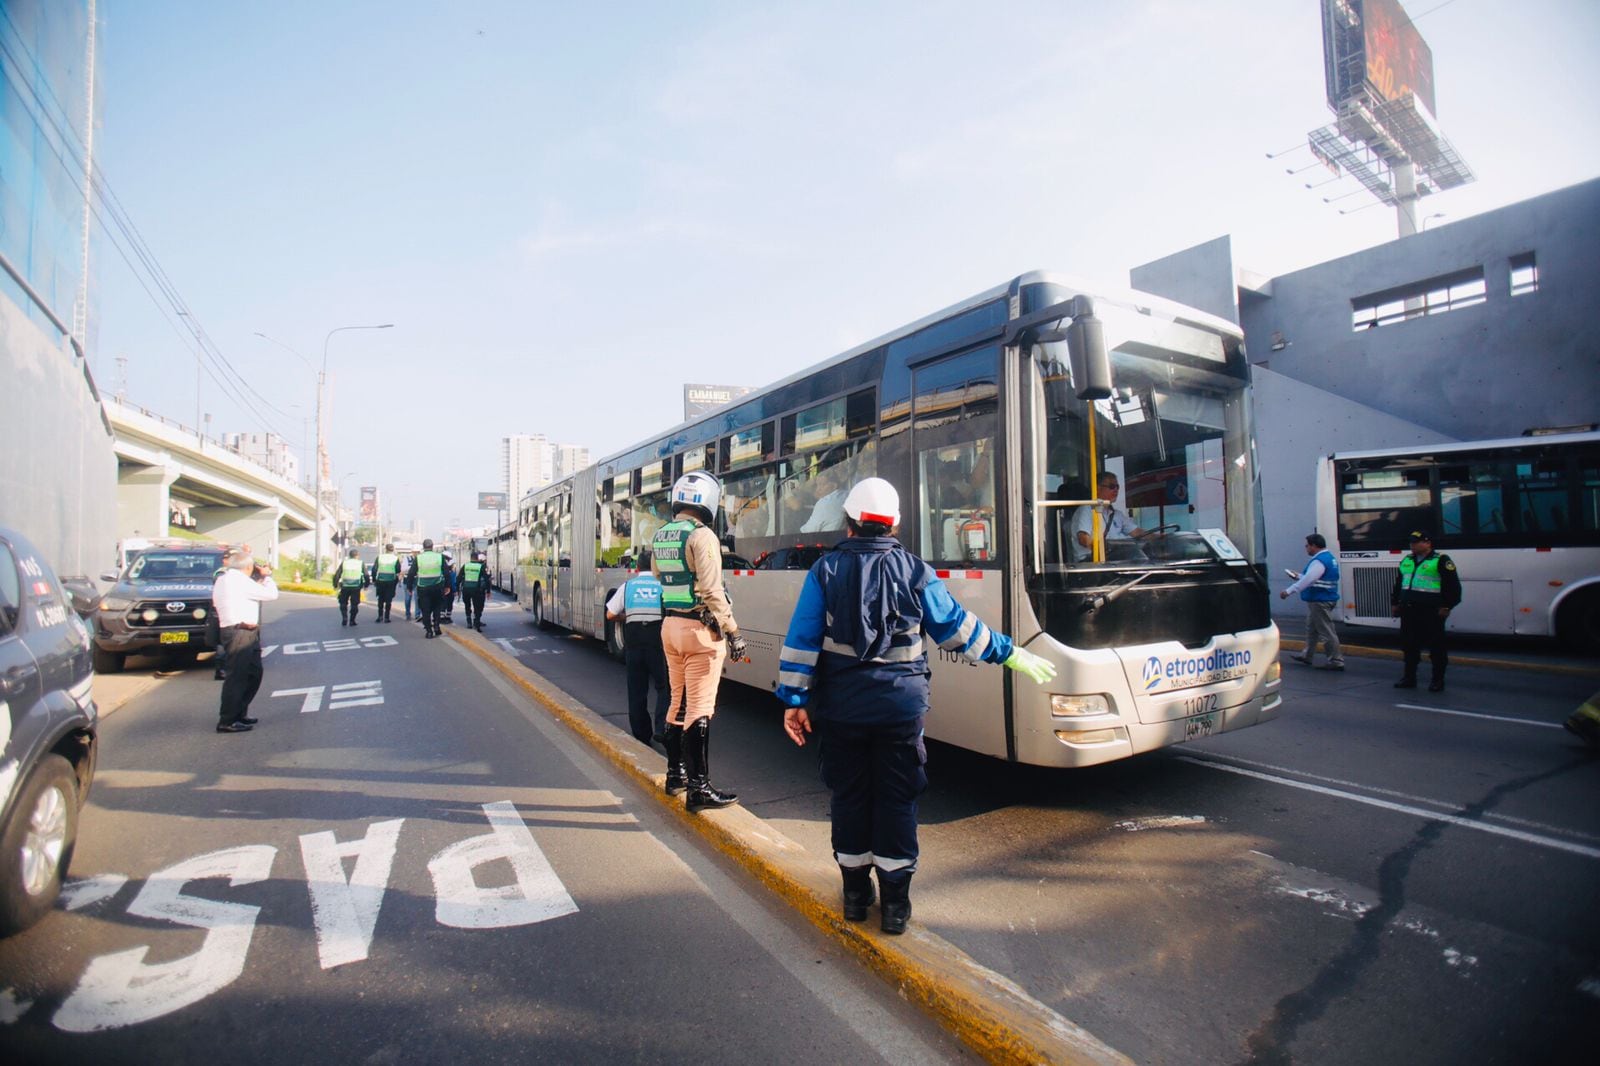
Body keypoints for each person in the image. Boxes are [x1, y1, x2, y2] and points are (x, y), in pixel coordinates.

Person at [776, 478, 1056, 934]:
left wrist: (794, 700)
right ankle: (895, 908)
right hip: (900, 711)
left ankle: (853, 895)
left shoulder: (824, 571)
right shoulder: (916, 571)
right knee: (897, 799)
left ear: (848, 523)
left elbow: (801, 641)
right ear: (896, 523)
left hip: (843, 710)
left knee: (849, 796)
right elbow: (957, 630)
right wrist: (1011, 653)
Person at [651, 470, 746, 812]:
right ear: (707, 501)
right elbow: (711, 590)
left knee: (677, 701)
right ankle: (699, 788)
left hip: (671, 626)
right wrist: (732, 630)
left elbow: (660, 575)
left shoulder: (662, 535)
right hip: (699, 631)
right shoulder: (702, 536)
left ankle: (675, 774)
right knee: (700, 707)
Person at [605, 551, 673, 746]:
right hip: (657, 643)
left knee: (636, 690)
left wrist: (626, 617)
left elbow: (610, 614)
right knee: (664, 687)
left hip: (634, 643)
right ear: (655, 566)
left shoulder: (628, 586)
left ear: (637, 568)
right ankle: (662, 728)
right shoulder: (663, 586)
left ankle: (642, 734)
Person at [212, 549, 278, 733]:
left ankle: (239, 713)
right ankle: (227, 720)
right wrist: (267, 576)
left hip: (241, 631)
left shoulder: (224, 579)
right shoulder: (238, 581)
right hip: (240, 632)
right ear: (248, 567)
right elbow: (271, 594)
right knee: (237, 677)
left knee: (253, 673)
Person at [1390, 529, 1461, 692]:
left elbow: (1453, 587)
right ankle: (1409, 677)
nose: (1412, 545)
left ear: (1428, 543)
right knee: (1409, 646)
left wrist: (1447, 606)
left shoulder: (1441, 560)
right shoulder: (1407, 560)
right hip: (1409, 610)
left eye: (1416, 542)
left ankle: (1437, 680)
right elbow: (1399, 583)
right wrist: (1395, 603)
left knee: (1436, 647)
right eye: (1411, 542)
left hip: (1431, 611)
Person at [1281, 533, 1344, 670]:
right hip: (1322, 598)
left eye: (1307, 546)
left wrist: (1289, 591)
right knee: (1311, 629)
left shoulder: (1319, 561)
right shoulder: (1329, 558)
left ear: (1314, 546)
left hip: (1320, 600)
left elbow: (1310, 579)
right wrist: (1299, 576)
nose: (1306, 548)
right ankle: (1307, 655)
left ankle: (1335, 661)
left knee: (1326, 632)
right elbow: (1313, 578)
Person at [1069, 472, 1147, 562]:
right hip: (1091, 561)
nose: (1116, 490)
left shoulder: (1117, 514)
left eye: (1117, 487)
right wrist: (1104, 550)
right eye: (1112, 486)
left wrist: (1159, 536)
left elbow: (1137, 532)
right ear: (1097, 488)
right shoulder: (1087, 509)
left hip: (1112, 559)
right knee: (1133, 553)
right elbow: (1083, 539)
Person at [412, 539, 447, 638]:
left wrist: (410, 587)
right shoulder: (439, 557)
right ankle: (436, 626)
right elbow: (446, 572)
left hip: (423, 588)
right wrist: (447, 586)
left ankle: (429, 631)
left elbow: (411, 573)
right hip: (437, 587)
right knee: (437, 607)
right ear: (432, 546)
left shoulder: (419, 558)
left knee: (425, 610)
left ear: (423, 547)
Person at [333, 547, 369, 626]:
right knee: (354, 604)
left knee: (343, 603)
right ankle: (352, 620)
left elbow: (337, 575)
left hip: (345, 586)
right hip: (356, 587)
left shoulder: (344, 563)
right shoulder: (360, 563)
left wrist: (335, 585)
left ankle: (344, 617)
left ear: (349, 556)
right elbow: (366, 575)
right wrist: (366, 585)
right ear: (357, 556)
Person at [458, 550, 490, 631]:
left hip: (466, 589)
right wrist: (488, 591)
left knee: (467, 605)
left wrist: (457, 589)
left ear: (471, 558)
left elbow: (458, 578)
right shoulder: (481, 566)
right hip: (477, 590)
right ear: (477, 558)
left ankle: (469, 622)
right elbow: (486, 579)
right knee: (477, 606)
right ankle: (477, 623)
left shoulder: (465, 566)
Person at [371, 543, 401, 623]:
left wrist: (374, 580)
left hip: (380, 580)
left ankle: (380, 616)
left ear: (386, 549)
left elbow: (374, 570)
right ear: (393, 549)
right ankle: (387, 617)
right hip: (391, 581)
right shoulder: (395, 558)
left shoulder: (380, 557)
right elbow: (398, 570)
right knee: (388, 600)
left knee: (380, 599)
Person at [402, 551, 417, 621]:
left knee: (417, 598)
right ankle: (408, 613)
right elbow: (403, 569)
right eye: (416, 552)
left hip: (417, 580)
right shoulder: (407, 559)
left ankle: (418, 614)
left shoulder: (420, 559)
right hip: (407, 580)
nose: (417, 553)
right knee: (408, 598)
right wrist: (412, 569)